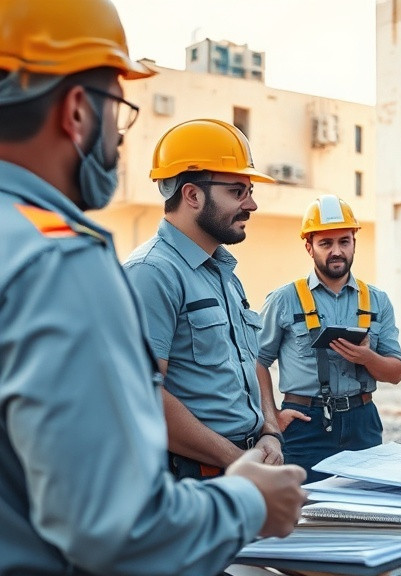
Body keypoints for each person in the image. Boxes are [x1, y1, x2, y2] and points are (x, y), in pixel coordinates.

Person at [0, 1, 305, 574]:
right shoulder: (61, 261)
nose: (117, 139)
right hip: (195, 488)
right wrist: (248, 496)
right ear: (76, 110)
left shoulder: (220, 271)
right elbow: (115, 526)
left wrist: (264, 431)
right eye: (117, 109)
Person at [123, 118, 286, 480]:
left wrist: (269, 432)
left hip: (240, 467)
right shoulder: (151, 273)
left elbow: (250, 364)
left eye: (249, 191)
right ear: (193, 195)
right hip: (193, 477)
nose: (252, 204)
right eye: (238, 191)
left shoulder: (224, 274)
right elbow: (141, 394)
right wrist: (237, 461)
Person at [257, 195, 401, 482]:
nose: (336, 251)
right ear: (309, 247)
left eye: (344, 241)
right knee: (305, 506)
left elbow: (396, 373)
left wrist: (367, 358)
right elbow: (257, 361)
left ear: (354, 243)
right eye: (326, 243)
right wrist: (271, 416)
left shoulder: (378, 300)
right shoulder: (284, 299)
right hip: (304, 424)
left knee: (363, 506)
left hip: (363, 423)